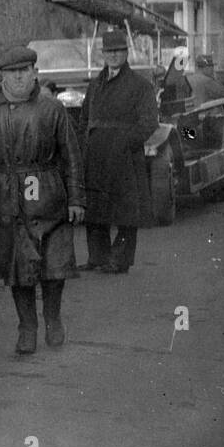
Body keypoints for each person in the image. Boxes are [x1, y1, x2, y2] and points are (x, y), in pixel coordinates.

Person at [0, 46, 85, 354]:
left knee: (53, 269)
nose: (18, 78)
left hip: (50, 200)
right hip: (8, 202)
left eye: (24, 71)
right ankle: (27, 328)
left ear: (35, 73)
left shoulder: (53, 109)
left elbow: (71, 157)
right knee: (18, 271)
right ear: (2, 77)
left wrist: (76, 199)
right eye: (11, 72)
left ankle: (53, 319)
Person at [81, 29, 159, 275]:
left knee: (126, 212)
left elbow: (149, 123)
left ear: (126, 53)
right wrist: (86, 143)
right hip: (96, 156)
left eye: (118, 51)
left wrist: (126, 144)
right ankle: (98, 257)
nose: (113, 56)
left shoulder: (140, 85)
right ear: (103, 54)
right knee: (95, 208)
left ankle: (120, 260)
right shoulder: (95, 85)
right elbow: (85, 118)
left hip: (124, 157)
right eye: (109, 52)